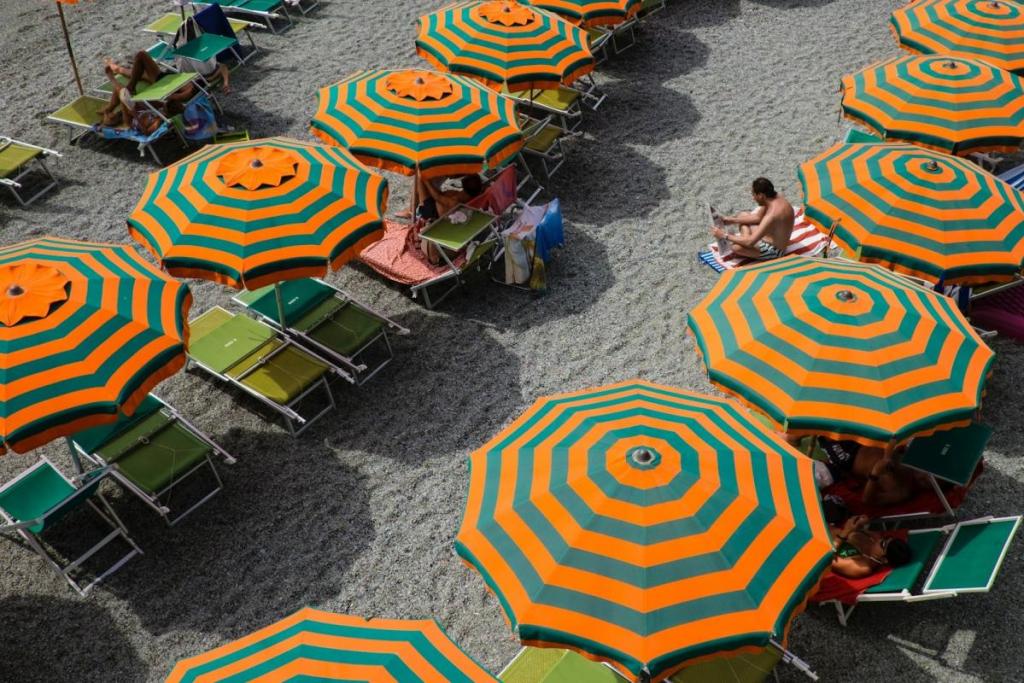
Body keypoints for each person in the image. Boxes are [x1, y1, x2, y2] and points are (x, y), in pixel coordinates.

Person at [812, 437, 929, 507]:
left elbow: (868, 500)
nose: (924, 479)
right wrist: (887, 456)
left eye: (927, 484)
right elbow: (893, 437)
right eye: (928, 476)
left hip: (846, 459)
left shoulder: (902, 491)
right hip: (859, 441)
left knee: (821, 427)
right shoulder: (911, 460)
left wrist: (875, 473)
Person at [99, 52, 197, 131]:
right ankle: (117, 70)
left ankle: (116, 79)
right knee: (140, 72)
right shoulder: (162, 112)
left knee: (124, 89)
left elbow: (145, 131)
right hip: (163, 86)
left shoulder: (154, 120)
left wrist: (134, 113)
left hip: (138, 109)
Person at [712, 177, 795, 260]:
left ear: (761, 196)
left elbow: (750, 242)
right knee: (742, 215)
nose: (753, 198)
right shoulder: (774, 197)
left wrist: (723, 235)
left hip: (775, 251)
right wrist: (731, 220)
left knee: (736, 248)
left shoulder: (771, 216)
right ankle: (745, 239)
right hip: (771, 237)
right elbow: (758, 218)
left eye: (754, 194)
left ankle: (744, 242)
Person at [830, 514, 912, 579]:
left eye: (883, 544)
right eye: (887, 538)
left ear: (884, 559)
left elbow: (826, 561)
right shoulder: (873, 536)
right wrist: (860, 521)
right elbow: (853, 525)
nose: (880, 540)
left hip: (818, 547)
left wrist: (845, 532)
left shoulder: (863, 567)